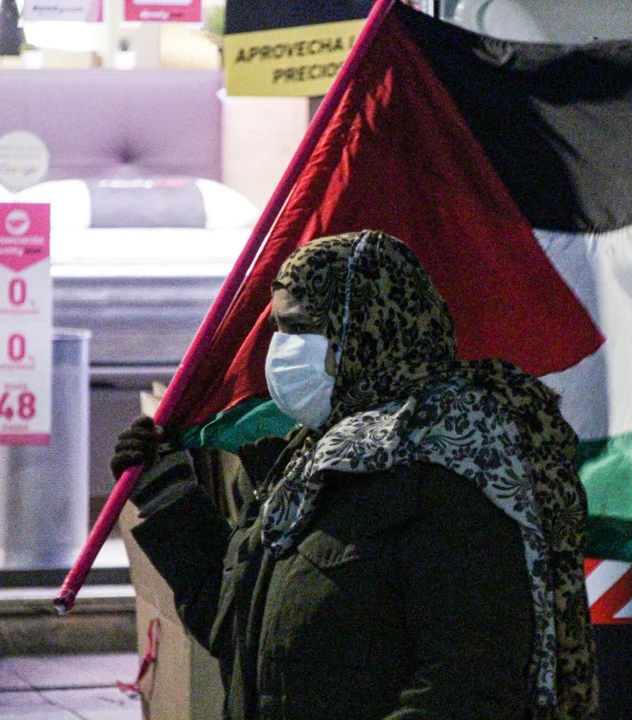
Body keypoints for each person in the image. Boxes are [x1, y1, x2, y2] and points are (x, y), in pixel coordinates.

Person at [112, 230, 597, 720]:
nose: (282, 349)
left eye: (302, 328)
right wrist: (168, 495)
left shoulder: (453, 471)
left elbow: (468, 682)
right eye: (279, 328)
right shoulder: (303, 465)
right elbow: (236, 631)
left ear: (368, 329)